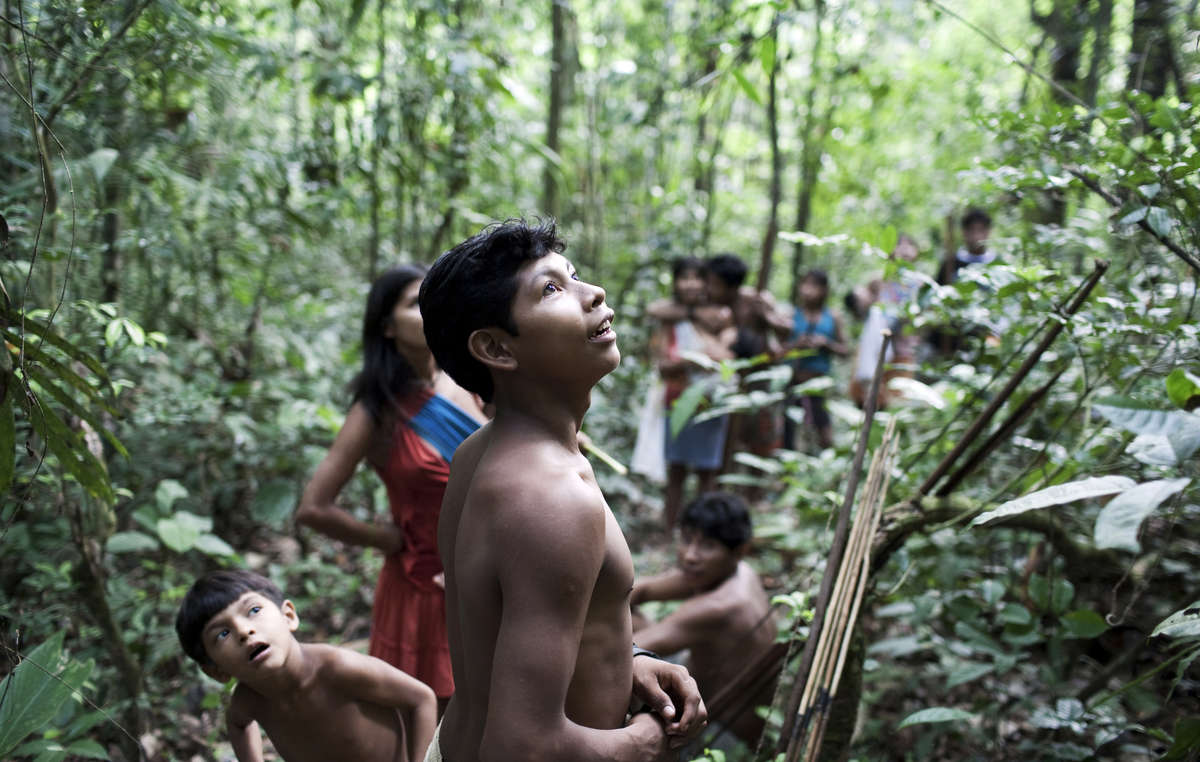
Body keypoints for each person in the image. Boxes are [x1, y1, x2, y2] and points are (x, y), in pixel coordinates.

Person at [418, 218, 707, 761]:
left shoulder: (480, 452)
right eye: (551, 289)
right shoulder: (548, 496)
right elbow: (521, 748)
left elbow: (505, 641)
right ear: (497, 350)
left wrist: (631, 658)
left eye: (572, 276)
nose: (592, 292)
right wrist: (643, 741)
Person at [295, 265, 487, 707]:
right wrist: (387, 539)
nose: (427, 311)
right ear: (386, 326)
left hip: (489, 571)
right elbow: (313, 507)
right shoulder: (377, 410)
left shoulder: (469, 377)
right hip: (423, 586)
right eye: (412, 304)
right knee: (435, 719)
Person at [176, 569, 438, 762]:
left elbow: (421, 699)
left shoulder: (338, 669)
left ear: (288, 616)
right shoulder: (249, 701)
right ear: (216, 671)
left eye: (253, 611)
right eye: (222, 634)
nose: (244, 631)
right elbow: (238, 724)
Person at [631, 492, 778, 748]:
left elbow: (625, 650)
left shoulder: (724, 606)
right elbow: (641, 590)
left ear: (740, 551)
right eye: (687, 540)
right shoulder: (736, 571)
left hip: (723, 735)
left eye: (707, 545)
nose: (690, 555)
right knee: (624, 617)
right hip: (708, 702)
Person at [651, 256, 736, 531]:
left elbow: (726, 358)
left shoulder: (721, 317)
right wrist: (694, 359)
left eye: (696, 277)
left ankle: (704, 531)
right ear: (675, 282)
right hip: (677, 401)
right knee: (675, 471)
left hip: (711, 404)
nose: (690, 284)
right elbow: (663, 365)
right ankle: (668, 531)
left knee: (707, 473)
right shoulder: (669, 319)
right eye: (684, 277)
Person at [783, 269, 848, 450]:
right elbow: (779, 350)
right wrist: (797, 345)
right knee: (790, 431)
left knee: (824, 434)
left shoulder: (833, 316)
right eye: (805, 284)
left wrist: (826, 344)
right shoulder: (791, 314)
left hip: (820, 385)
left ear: (824, 290)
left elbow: (845, 351)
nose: (807, 290)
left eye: (814, 285)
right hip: (794, 381)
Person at [937, 207, 995, 286]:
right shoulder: (951, 263)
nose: (976, 236)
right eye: (971, 230)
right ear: (964, 232)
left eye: (981, 230)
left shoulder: (997, 264)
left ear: (988, 231)